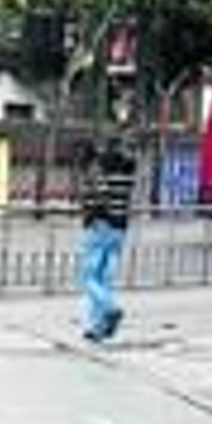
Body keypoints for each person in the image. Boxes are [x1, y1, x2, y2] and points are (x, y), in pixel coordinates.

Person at [80, 139, 135, 343]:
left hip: (101, 227)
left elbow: (100, 197)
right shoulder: (128, 171)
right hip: (120, 227)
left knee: (88, 277)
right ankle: (98, 328)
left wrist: (92, 217)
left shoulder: (99, 171)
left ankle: (111, 308)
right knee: (105, 278)